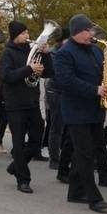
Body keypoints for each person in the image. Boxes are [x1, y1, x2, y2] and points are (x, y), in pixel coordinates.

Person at [53, 14, 107, 212]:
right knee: (85, 154)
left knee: (89, 152)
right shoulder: (64, 52)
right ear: (78, 32)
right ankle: (94, 198)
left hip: (95, 110)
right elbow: (64, 81)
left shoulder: (96, 50)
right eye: (88, 31)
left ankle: (75, 192)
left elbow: (101, 74)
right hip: (76, 111)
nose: (92, 35)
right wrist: (94, 90)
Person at [0, 20, 53, 193]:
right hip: (15, 104)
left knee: (37, 139)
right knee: (18, 142)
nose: (27, 36)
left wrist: (46, 55)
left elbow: (50, 73)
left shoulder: (33, 51)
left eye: (28, 33)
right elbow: (7, 76)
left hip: (31, 102)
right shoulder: (8, 53)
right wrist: (29, 69)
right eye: (23, 33)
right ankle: (23, 179)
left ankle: (16, 165)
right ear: (15, 35)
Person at [45, 27, 68, 169]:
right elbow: (55, 73)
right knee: (56, 127)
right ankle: (54, 158)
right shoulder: (54, 52)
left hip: (65, 92)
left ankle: (62, 155)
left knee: (64, 127)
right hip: (55, 92)